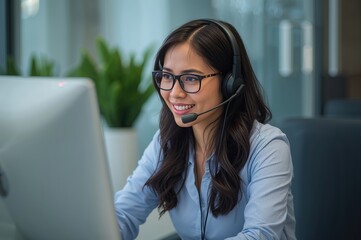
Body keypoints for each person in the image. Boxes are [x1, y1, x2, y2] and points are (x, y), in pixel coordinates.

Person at [114, 18, 296, 240]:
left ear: (230, 83)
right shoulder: (167, 143)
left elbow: (260, 235)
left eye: (191, 78)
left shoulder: (267, 147)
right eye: (167, 76)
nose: (175, 93)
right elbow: (124, 213)